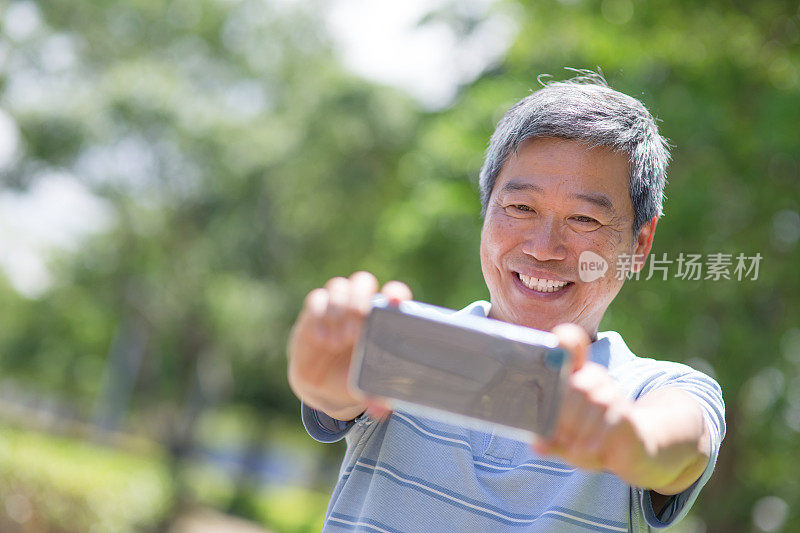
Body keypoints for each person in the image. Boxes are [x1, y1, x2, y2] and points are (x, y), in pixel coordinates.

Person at [287, 71, 725, 532]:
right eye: (521, 208)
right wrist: (321, 376)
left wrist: (626, 439)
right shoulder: (403, 347)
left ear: (640, 245)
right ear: (486, 209)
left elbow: (677, 444)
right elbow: (335, 393)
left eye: (583, 218)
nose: (543, 247)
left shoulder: (655, 390)